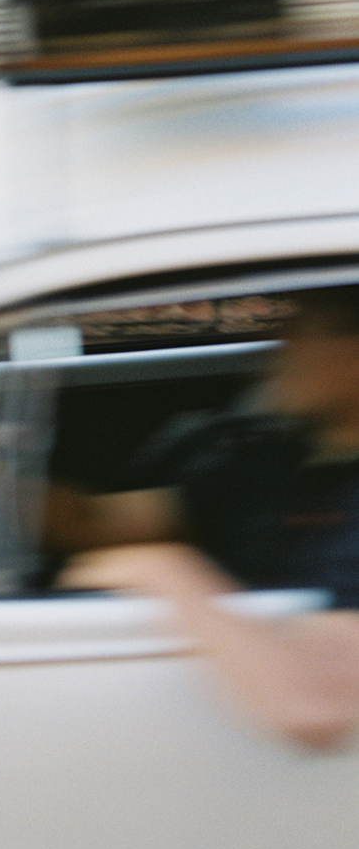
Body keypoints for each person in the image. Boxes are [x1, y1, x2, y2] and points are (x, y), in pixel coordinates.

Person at [51, 288, 359, 751]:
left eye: (311, 330)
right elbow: (96, 522)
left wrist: (160, 570)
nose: (282, 345)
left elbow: (315, 706)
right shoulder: (272, 461)